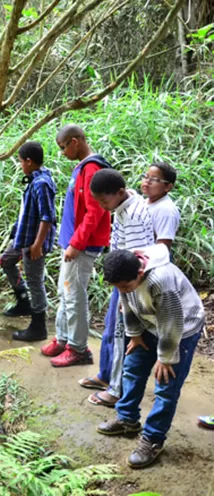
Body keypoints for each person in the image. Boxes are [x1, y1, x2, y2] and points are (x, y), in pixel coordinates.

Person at [96, 246, 204, 469]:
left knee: (166, 385)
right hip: (151, 322)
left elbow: (172, 323)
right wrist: (134, 335)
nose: (121, 290)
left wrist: (165, 358)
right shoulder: (126, 279)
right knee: (132, 367)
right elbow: (127, 301)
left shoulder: (160, 282)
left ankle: (153, 438)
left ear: (139, 274)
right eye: (117, 287)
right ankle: (127, 418)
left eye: (125, 286)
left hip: (182, 327)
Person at [81, 169, 156, 407]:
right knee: (111, 329)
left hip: (129, 283)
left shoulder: (132, 215)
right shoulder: (124, 206)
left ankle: (116, 390)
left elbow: (132, 263)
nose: (102, 207)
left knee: (121, 333)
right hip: (122, 280)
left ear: (120, 192)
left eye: (104, 201)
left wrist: (127, 299)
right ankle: (106, 376)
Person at [41, 125, 112, 367]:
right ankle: (63, 339)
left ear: (75, 142)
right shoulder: (82, 168)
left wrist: (76, 244)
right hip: (72, 244)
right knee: (65, 292)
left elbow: (95, 213)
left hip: (80, 247)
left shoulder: (92, 170)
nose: (62, 153)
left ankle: (78, 348)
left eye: (63, 147)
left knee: (74, 295)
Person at [1, 142, 57, 341]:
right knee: (6, 260)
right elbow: (28, 211)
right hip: (22, 238)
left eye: (21, 162)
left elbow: (47, 216)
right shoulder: (35, 180)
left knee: (35, 281)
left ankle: (38, 326)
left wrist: (37, 245)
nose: (20, 166)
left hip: (33, 242)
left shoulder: (41, 183)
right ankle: (23, 301)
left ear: (29, 161)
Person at [142, 162, 180, 250]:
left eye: (154, 179)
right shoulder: (143, 202)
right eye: (146, 176)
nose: (147, 181)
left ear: (168, 187)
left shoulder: (166, 210)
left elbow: (163, 248)